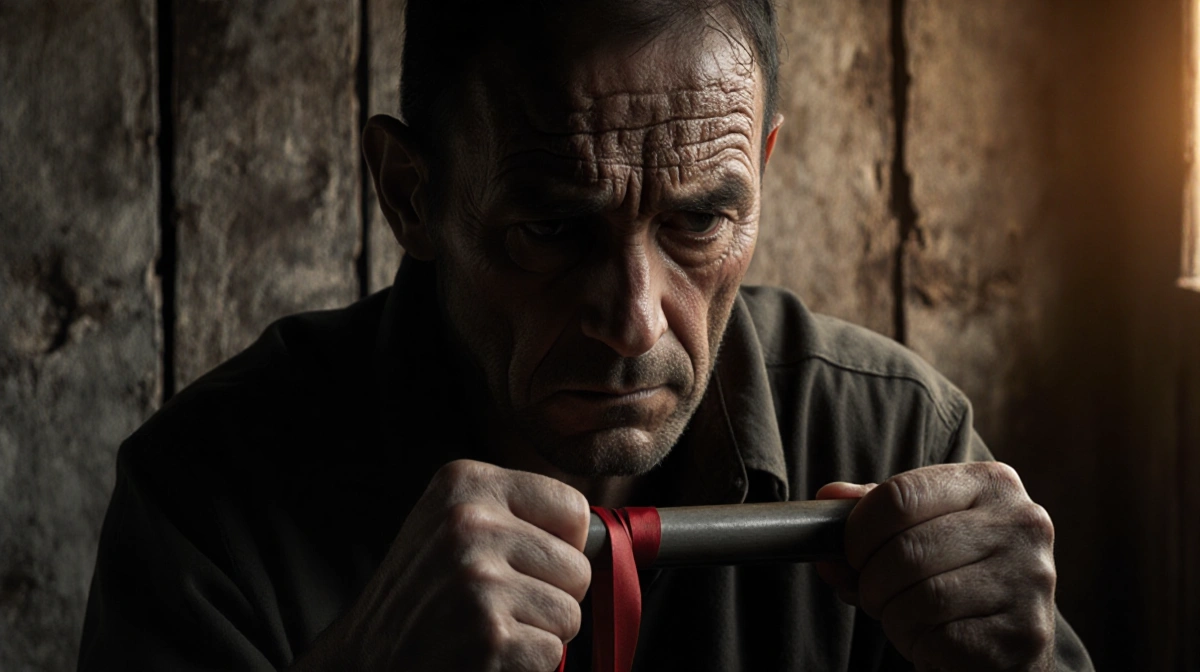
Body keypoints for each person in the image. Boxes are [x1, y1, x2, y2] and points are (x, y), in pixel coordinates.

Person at [78, 1, 1094, 670]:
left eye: (699, 221)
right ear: (410, 193)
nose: (635, 322)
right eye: (553, 230)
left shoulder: (891, 439)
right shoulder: (209, 501)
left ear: (764, 171)